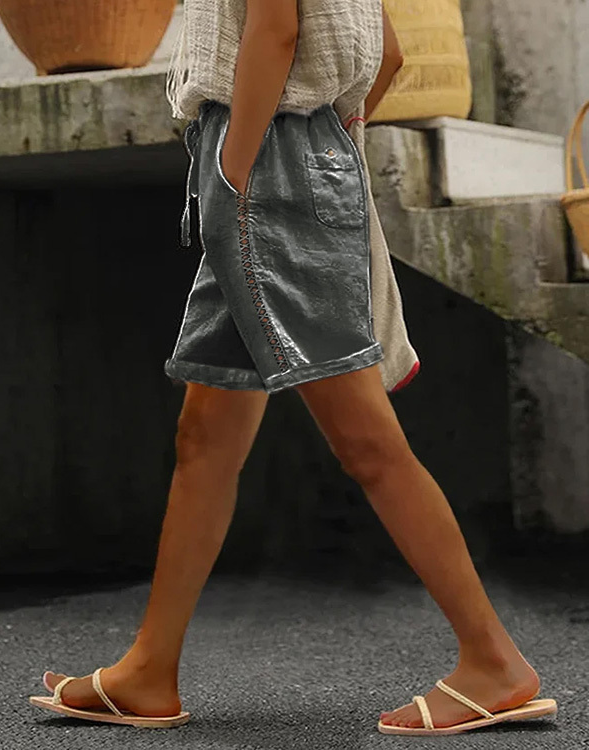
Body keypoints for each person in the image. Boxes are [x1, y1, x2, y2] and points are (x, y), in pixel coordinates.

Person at [29, 0, 557, 736]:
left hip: (264, 174)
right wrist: (315, 147)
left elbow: (275, 29)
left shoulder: (250, 164)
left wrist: (235, 171)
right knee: (206, 440)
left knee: (368, 443)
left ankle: (494, 661)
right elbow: (389, 52)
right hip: (283, 163)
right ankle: (149, 671)